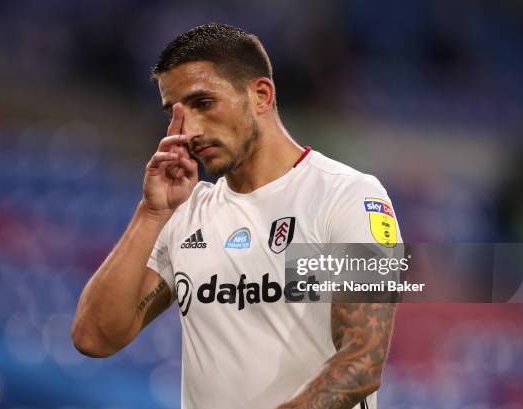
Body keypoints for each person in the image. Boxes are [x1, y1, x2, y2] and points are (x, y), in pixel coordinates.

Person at [72, 23, 400, 409]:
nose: (189, 131)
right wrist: (151, 212)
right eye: (175, 113)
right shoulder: (184, 216)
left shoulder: (348, 196)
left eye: (203, 104)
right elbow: (94, 337)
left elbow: (362, 362)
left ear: (260, 95)